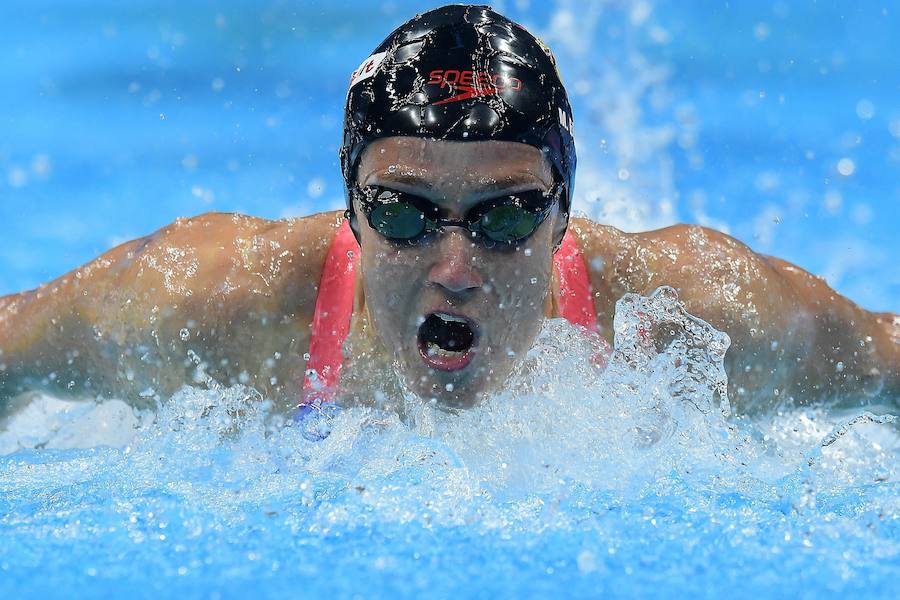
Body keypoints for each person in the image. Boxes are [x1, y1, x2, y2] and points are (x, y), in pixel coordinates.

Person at [0, 5, 896, 418]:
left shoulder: (696, 318)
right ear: (350, 211)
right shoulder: (207, 302)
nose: (456, 270)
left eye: (506, 218)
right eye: (404, 214)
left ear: (563, 219)